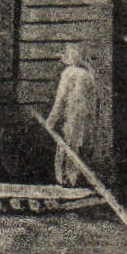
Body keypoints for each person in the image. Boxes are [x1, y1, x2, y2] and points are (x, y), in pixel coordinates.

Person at [47, 44, 97, 187]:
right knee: (79, 147)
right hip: (85, 119)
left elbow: (60, 99)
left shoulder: (69, 73)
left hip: (71, 118)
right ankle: (75, 180)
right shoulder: (89, 74)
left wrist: (51, 121)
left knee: (66, 147)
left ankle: (64, 181)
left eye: (65, 54)